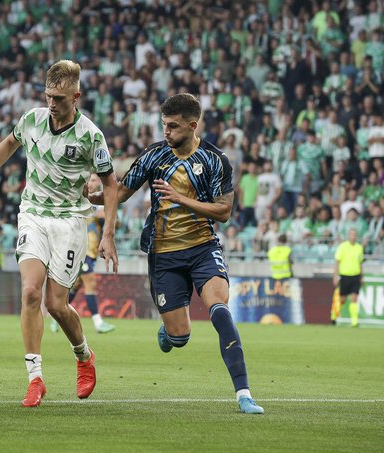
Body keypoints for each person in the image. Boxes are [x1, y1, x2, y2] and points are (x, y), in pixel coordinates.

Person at [89, 93, 263, 414]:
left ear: (192, 125)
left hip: (202, 248)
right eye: (163, 125)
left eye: (172, 126)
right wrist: (96, 196)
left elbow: (223, 211)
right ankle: (170, 333)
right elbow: (122, 192)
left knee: (220, 309)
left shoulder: (216, 160)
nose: (165, 132)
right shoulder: (154, 155)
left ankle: (243, 394)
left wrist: (181, 199)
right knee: (179, 337)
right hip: (164, 255)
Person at [0, 60, 119, 408]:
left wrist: (108, 232)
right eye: (48, 95)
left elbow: (111, 185)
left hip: (69, 222)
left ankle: (83, 356)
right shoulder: (32, 120)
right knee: (31, 292)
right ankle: (35, 378)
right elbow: (9, 144)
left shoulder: (91, 135)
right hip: (32, 214)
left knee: (56, 304)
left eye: (60, 98)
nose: (52, 103)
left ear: (76, 96)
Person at [51, 174, 116, 334]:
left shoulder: (101, 202)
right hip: (80, 248)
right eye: (90, 180)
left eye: (95, 180)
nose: (92, 183)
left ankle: (57, 316)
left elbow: (113, 219)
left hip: (92, 251)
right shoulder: (78, 199)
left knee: (76, 285)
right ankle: (98, 322)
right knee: (90, 282)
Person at [332, 228, 364, 327]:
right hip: (345, 276)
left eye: (355, 234)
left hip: (355, 276)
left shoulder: (359, 248)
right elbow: (337, 262)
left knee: (354, 298)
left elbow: (360, 263)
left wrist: (362, 276)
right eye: (351, 234)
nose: (353, 236)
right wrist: (335, 276)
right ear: (348, 236)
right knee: (342, 299)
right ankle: (334, 315)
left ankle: (354, 322)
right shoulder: (342, 247)